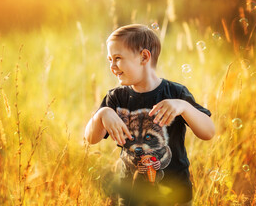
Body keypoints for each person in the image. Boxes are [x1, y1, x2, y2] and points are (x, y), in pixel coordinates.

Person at [84, 24, 215, 206]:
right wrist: (102, 114)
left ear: (144, 57)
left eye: (118, 58)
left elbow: (208, 132)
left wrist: (183, 106)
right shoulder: (116, 97)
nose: (112, 66)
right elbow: (90, 138)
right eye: (109, 60)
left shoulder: (175, 93)